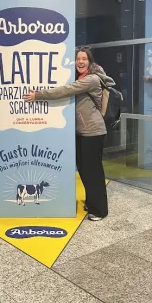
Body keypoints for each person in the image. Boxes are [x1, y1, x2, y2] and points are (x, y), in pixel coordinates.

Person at [23, 46, 115, 221]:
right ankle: (91, 201)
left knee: (93, 171)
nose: (80, 62)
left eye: (84, 59)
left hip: (92, 131)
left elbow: (66, 90)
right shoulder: (81, 76)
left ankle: (100, 210)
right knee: (84, 170)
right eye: (77, 59)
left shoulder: (92, 79)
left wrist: (38, 95)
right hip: (82, 131)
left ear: (90, 62)